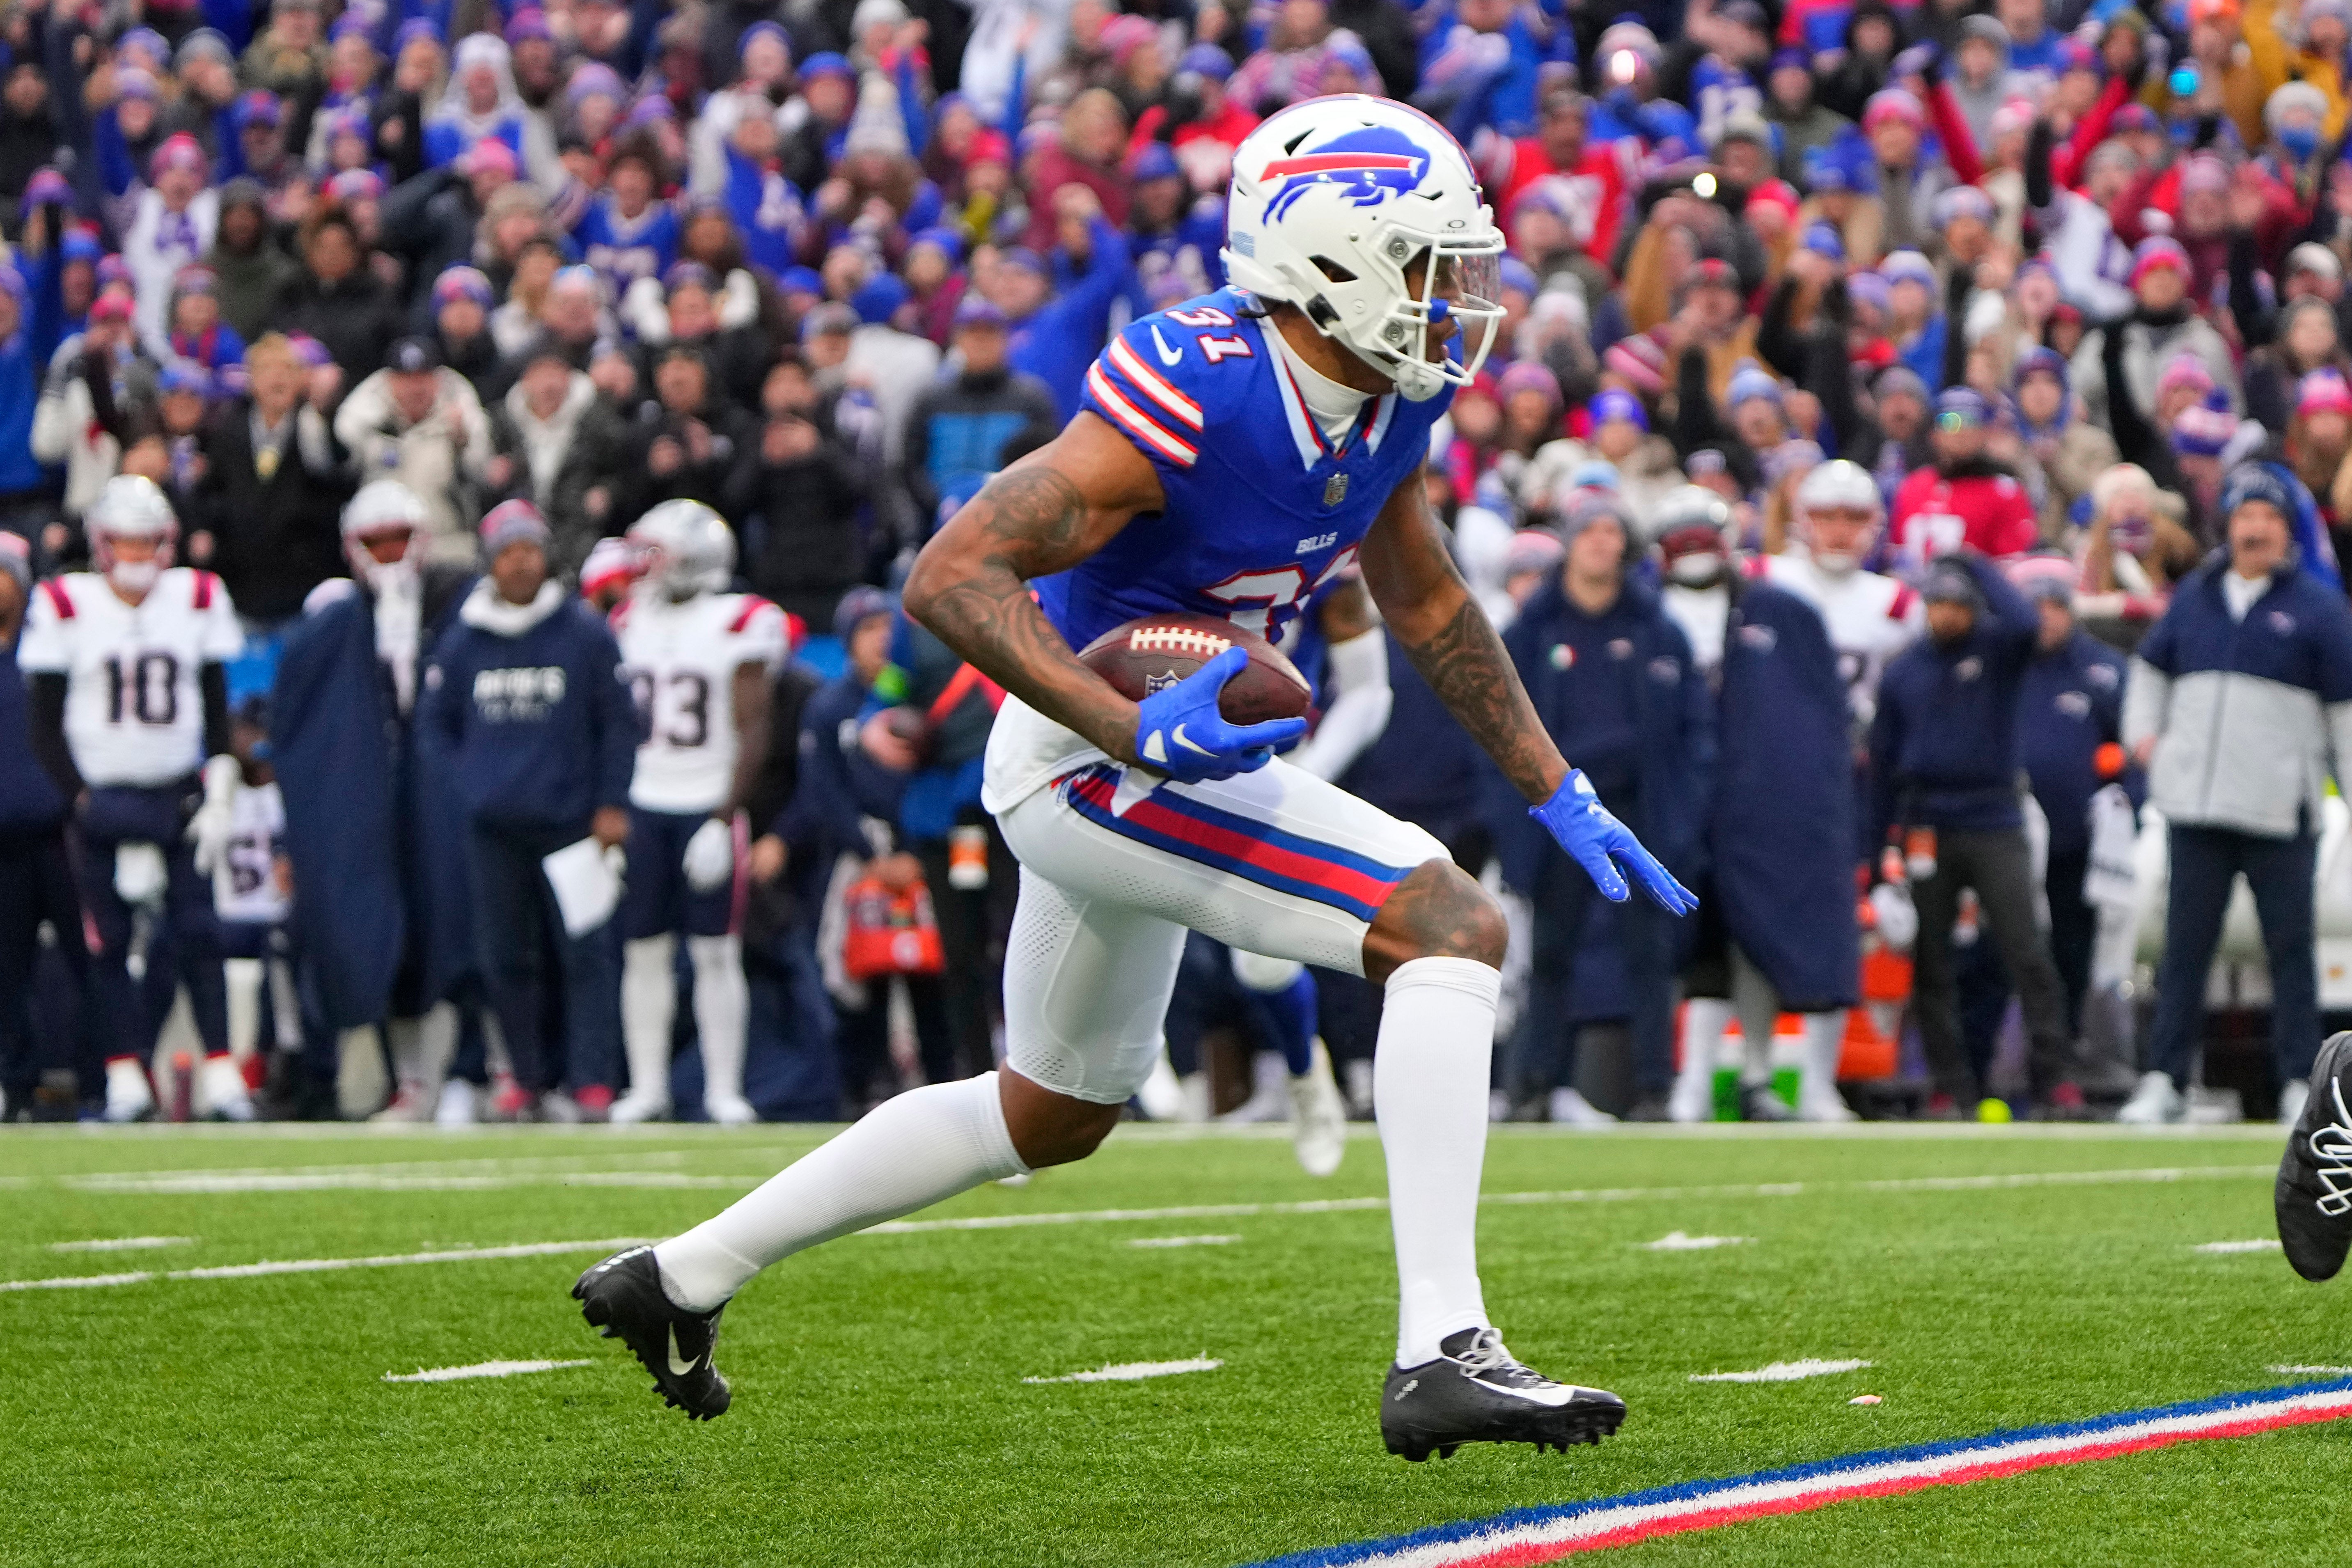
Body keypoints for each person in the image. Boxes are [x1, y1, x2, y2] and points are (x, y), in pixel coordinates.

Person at [573, 99, 1695, 1454]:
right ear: (1330, 260)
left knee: (1049, 1113)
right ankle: (1443, 1347)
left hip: (1147, 764)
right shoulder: (1199, 382)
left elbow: (1425, 596)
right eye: (1425, 262)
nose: (1455, 296)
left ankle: (681, 1274)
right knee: (1448, 926)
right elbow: (950, 575)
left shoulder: (1390, 393)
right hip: (1092, 760)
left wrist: (1553, 784)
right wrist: (1126, 727)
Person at [2119, 465, 2352, 1126]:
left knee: (2290, 953)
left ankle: (2297, 1082)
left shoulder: (2317, 608)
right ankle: (2163, 1078)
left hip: (2280, 811)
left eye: (2269, 518)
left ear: (2287, 531)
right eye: (2246, 515)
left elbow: (2344, 716)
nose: (2256, 529)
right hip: (2196, 807)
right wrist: (2144, 737)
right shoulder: (2194, 596)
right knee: (2183, 950)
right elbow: (2149, 669)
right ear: (2228, 523)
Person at [18, 476, 251, 1122]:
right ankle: (123, 1072)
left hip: (178, 793)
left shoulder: (196, 596)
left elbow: (215, 705)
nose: (137, 553)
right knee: (107, 943)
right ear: (101, 543)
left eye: (148, 540)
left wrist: (221, 785)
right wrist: (79, 798)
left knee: (201, 933)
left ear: (167, 542)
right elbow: (44, 723)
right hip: (102, 797)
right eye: (125, 540)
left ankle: (222, 1071)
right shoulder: (67, 602)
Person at [1493, 492, 1710, 1124]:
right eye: (1588, 531)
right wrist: (1516, 828)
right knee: (1550, 953)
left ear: (1626, 547)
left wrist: (1679, 821)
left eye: (1612, 532)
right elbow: (1496, 731)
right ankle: (1535, 1085)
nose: (1599, 542)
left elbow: (1694, 732)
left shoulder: (1657, 629)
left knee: (1649, 954)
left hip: (1637, 809)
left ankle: (1653, 1090)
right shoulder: (1531, 631)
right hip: (1559, 810)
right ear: (1569, 543)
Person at [420, 502, 637, 1119]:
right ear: (491, 562)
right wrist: (470, 787)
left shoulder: (584, 633)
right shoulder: (464, 638)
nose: (521, 563)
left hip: (573, 823)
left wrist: (611, 802)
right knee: (504, 959)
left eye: (531, 550)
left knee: (586, 954)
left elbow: (618, 724)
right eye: (510, 552)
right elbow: (435, 727)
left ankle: (592, 1080)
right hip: (494, 826)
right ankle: (527, 1077)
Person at [272, 481, 475, 1122]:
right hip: (371, 805)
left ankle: (475, 1074)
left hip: (446, 799)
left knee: (463, 930)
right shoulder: (333, 623)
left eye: (398, 539)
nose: (388, 554)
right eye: (375, 542)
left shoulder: (462, 608)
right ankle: (410, 1082)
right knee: (382, 941)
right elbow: (298, 728)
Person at [1654, 488, 1858, 1125]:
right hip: (1678, 802)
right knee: (1697, 942)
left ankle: (1780, 1079)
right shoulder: (1647, 615)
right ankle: (1687, 1083)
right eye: (1681, 542)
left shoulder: (1780, 612)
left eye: (1703, 540)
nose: (1694, 554)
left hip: (1763, 803)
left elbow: (1820, 718)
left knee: (1775, 934)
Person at [1870, 551, 2084, 1119]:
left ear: (1972, 608)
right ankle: (1949, 1085)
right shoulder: (1903, 671)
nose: (1946, 615)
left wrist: (1974, 564)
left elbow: (2024, 621)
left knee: (2026, 952)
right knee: (1931, 962)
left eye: (1957, 605)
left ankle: (2054, 1079)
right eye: (1937, 603)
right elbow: (1882, 764)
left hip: (1994, 820)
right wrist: (1874, 854)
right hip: (1926, 823)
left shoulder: (1996, 651)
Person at [610, 500, 789, 1126]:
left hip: (707, 800)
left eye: (655, 553)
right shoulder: (628, 617)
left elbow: (754, 727)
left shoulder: (741, 619)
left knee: (716, 951)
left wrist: (723, 816)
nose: (644, 564)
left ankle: (722, 1089)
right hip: (643, 801)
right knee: (642, 950)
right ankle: (647, 1087)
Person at [0, 533, 96, 1117]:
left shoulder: (51, 648)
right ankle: (17, 1085)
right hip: (3, 843)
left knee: (92, 960)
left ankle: (101, 1080)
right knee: (6, 972)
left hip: (63, 833)